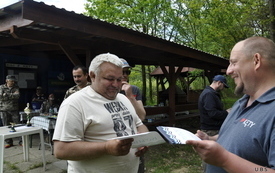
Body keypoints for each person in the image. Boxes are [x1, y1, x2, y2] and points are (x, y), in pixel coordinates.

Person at [186, 36, 275, 173]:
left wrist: (225, 160)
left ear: (256, 61)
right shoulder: (241, 102)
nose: (228, 71)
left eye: (233, 63)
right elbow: (235, 137)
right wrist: (211, 139)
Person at [53, 53, 149, 173]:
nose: (116, 84)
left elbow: (139, 124)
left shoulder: (123, 99)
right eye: (110, 79)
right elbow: (61, 150)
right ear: (93, 75)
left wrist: (145, 141)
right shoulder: (74, 103)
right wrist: (106, 148)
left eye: (119, 79)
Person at [120, 59, 146, 173]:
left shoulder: (134, 89)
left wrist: (130, 95)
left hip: (134, 136)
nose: (125, 75)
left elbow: (142, 116)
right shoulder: (109, 91)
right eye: (123, 72)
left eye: (127, 72)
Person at [0, 75, 20, 148]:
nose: (13, 82)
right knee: (6, 126)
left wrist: (6, 95)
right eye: (11, 81)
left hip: (14, 109)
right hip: (3, 109)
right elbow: (0, 97)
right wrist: (11, 95)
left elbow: (17, 96)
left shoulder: (16, 87)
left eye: (13, 81)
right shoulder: (1, 87)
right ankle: (9, 142)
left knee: (17, 125)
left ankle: (21, 141)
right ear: (7, 81)